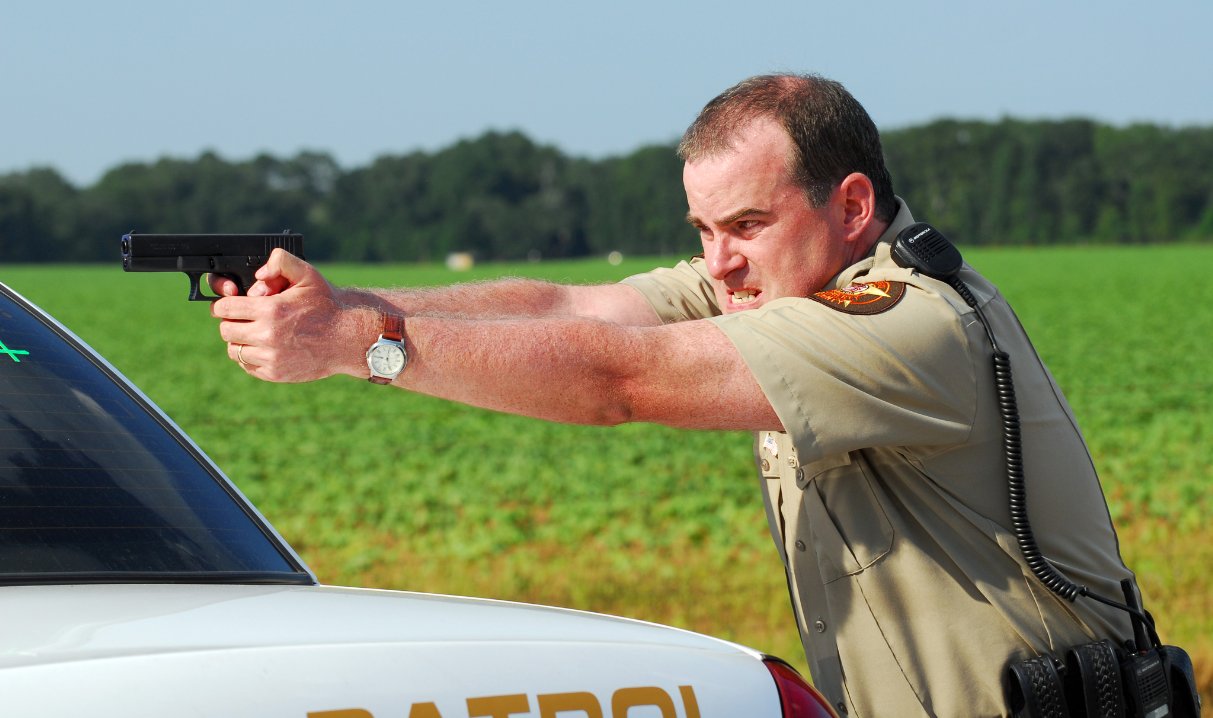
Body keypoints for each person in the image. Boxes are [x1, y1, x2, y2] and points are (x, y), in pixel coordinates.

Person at [211, 73, 1138, 717]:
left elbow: (620, 379)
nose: (717, 262)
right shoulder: (777, 278)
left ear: (851, 207)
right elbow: (564, 306)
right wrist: (339, 306)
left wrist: (359, 347)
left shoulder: (905, 322)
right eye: (701, 228)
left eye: (744, 224)